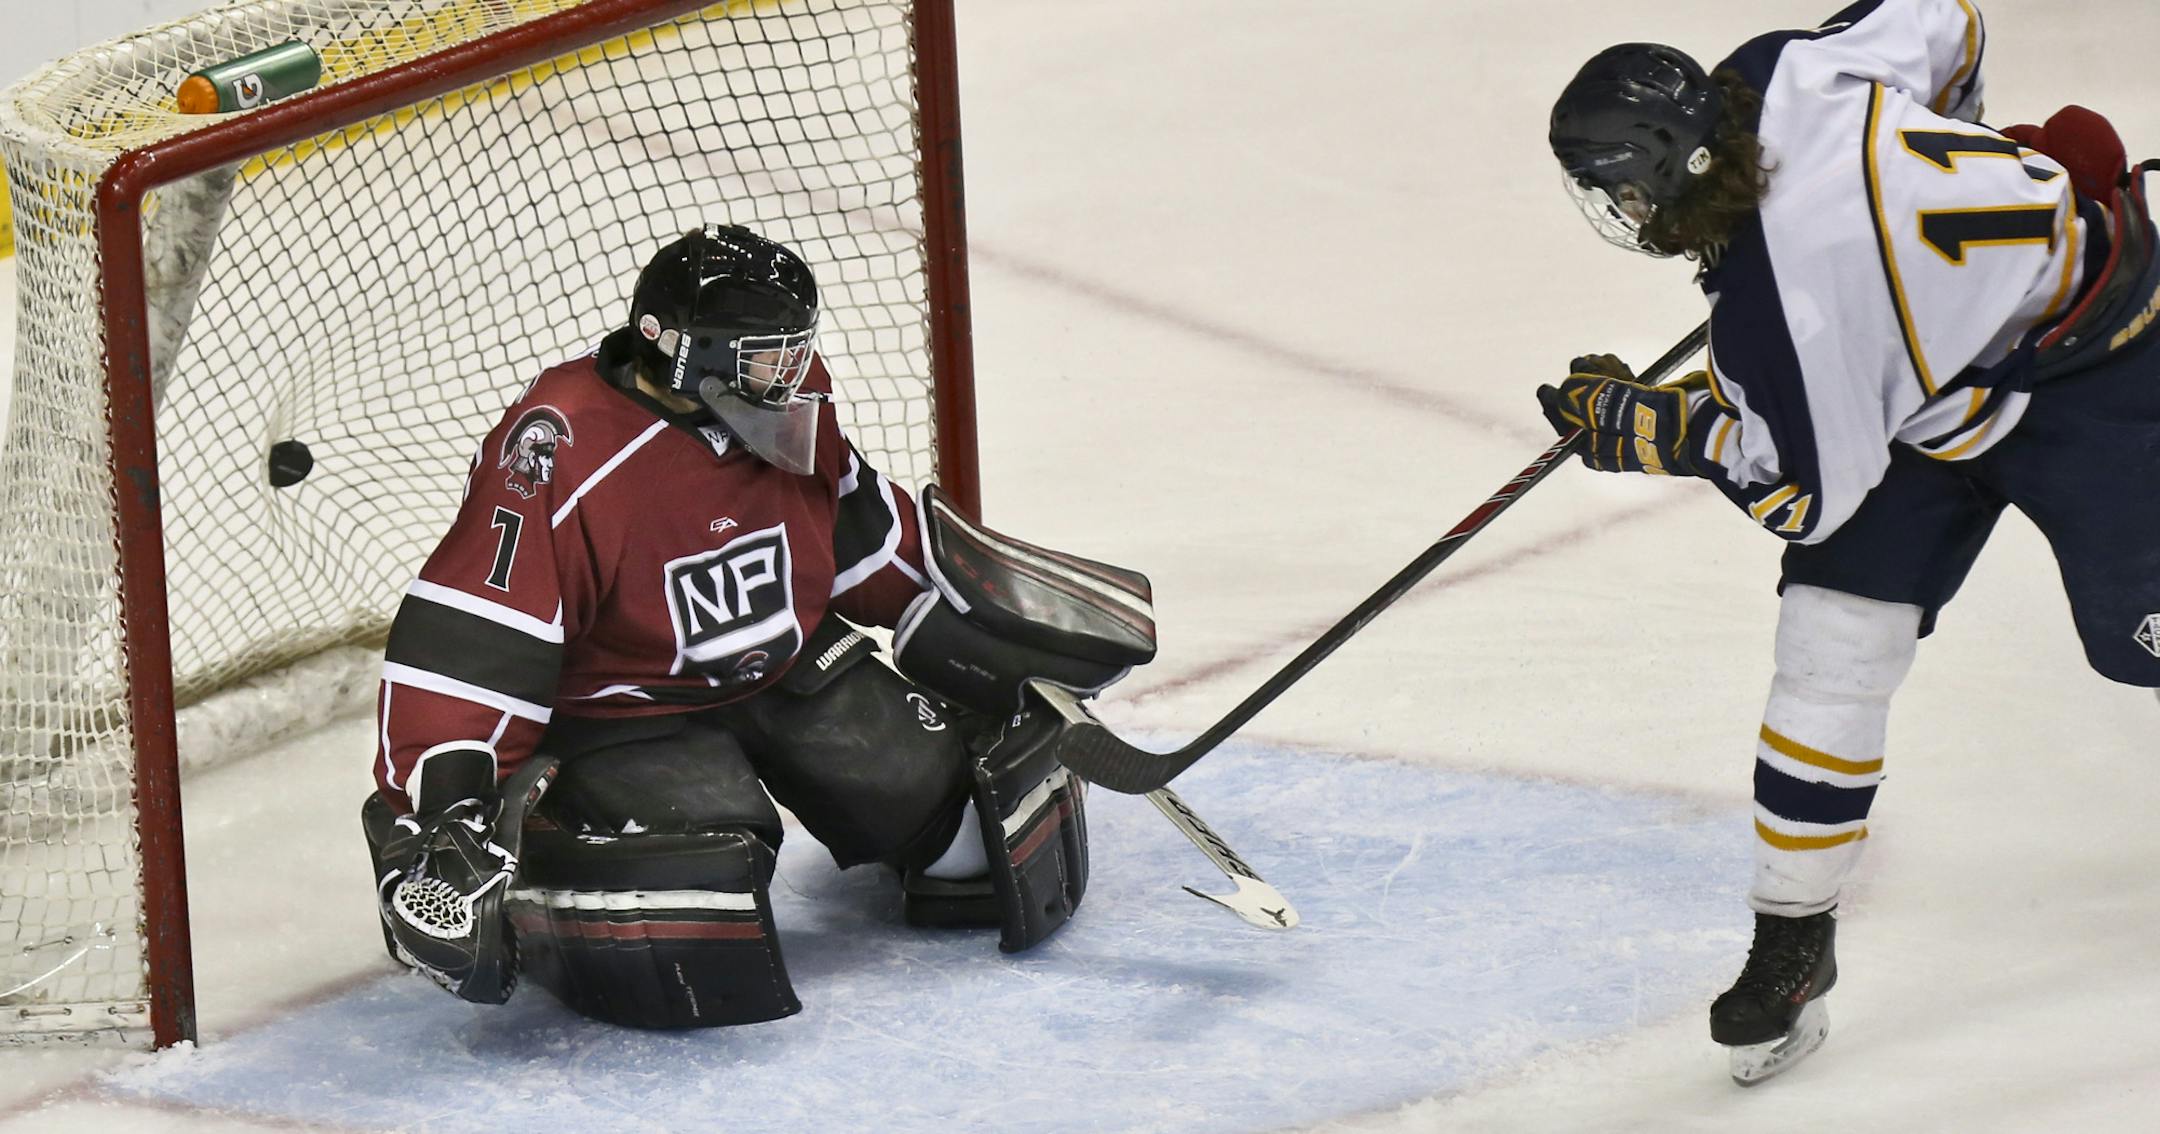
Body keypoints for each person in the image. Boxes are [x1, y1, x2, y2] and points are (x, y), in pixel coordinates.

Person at [1539, 0, 2159, 1083]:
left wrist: (1664, 431)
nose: (1624, 212)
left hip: (2104, 370)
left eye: (1627, 189)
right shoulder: (1774, 73)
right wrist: (1950, 157)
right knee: (1832, 643)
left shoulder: (1791, 310)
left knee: (2144, 641)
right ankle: (1794, 936)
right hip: (1932, 400)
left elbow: (1806, 495)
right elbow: (1948, 21)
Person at [360, 224, 1157, 1028]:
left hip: (785, 668)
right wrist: (442, 814)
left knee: (975, 847)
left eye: (792, 350)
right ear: (677, 348)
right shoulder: (558, 447)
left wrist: (978, 620)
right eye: (762, 356)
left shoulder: (787, 401)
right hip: (624, 712)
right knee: (695, 906)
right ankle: (541, 856)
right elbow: (476, 638)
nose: (789, 371)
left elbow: (853, 528)